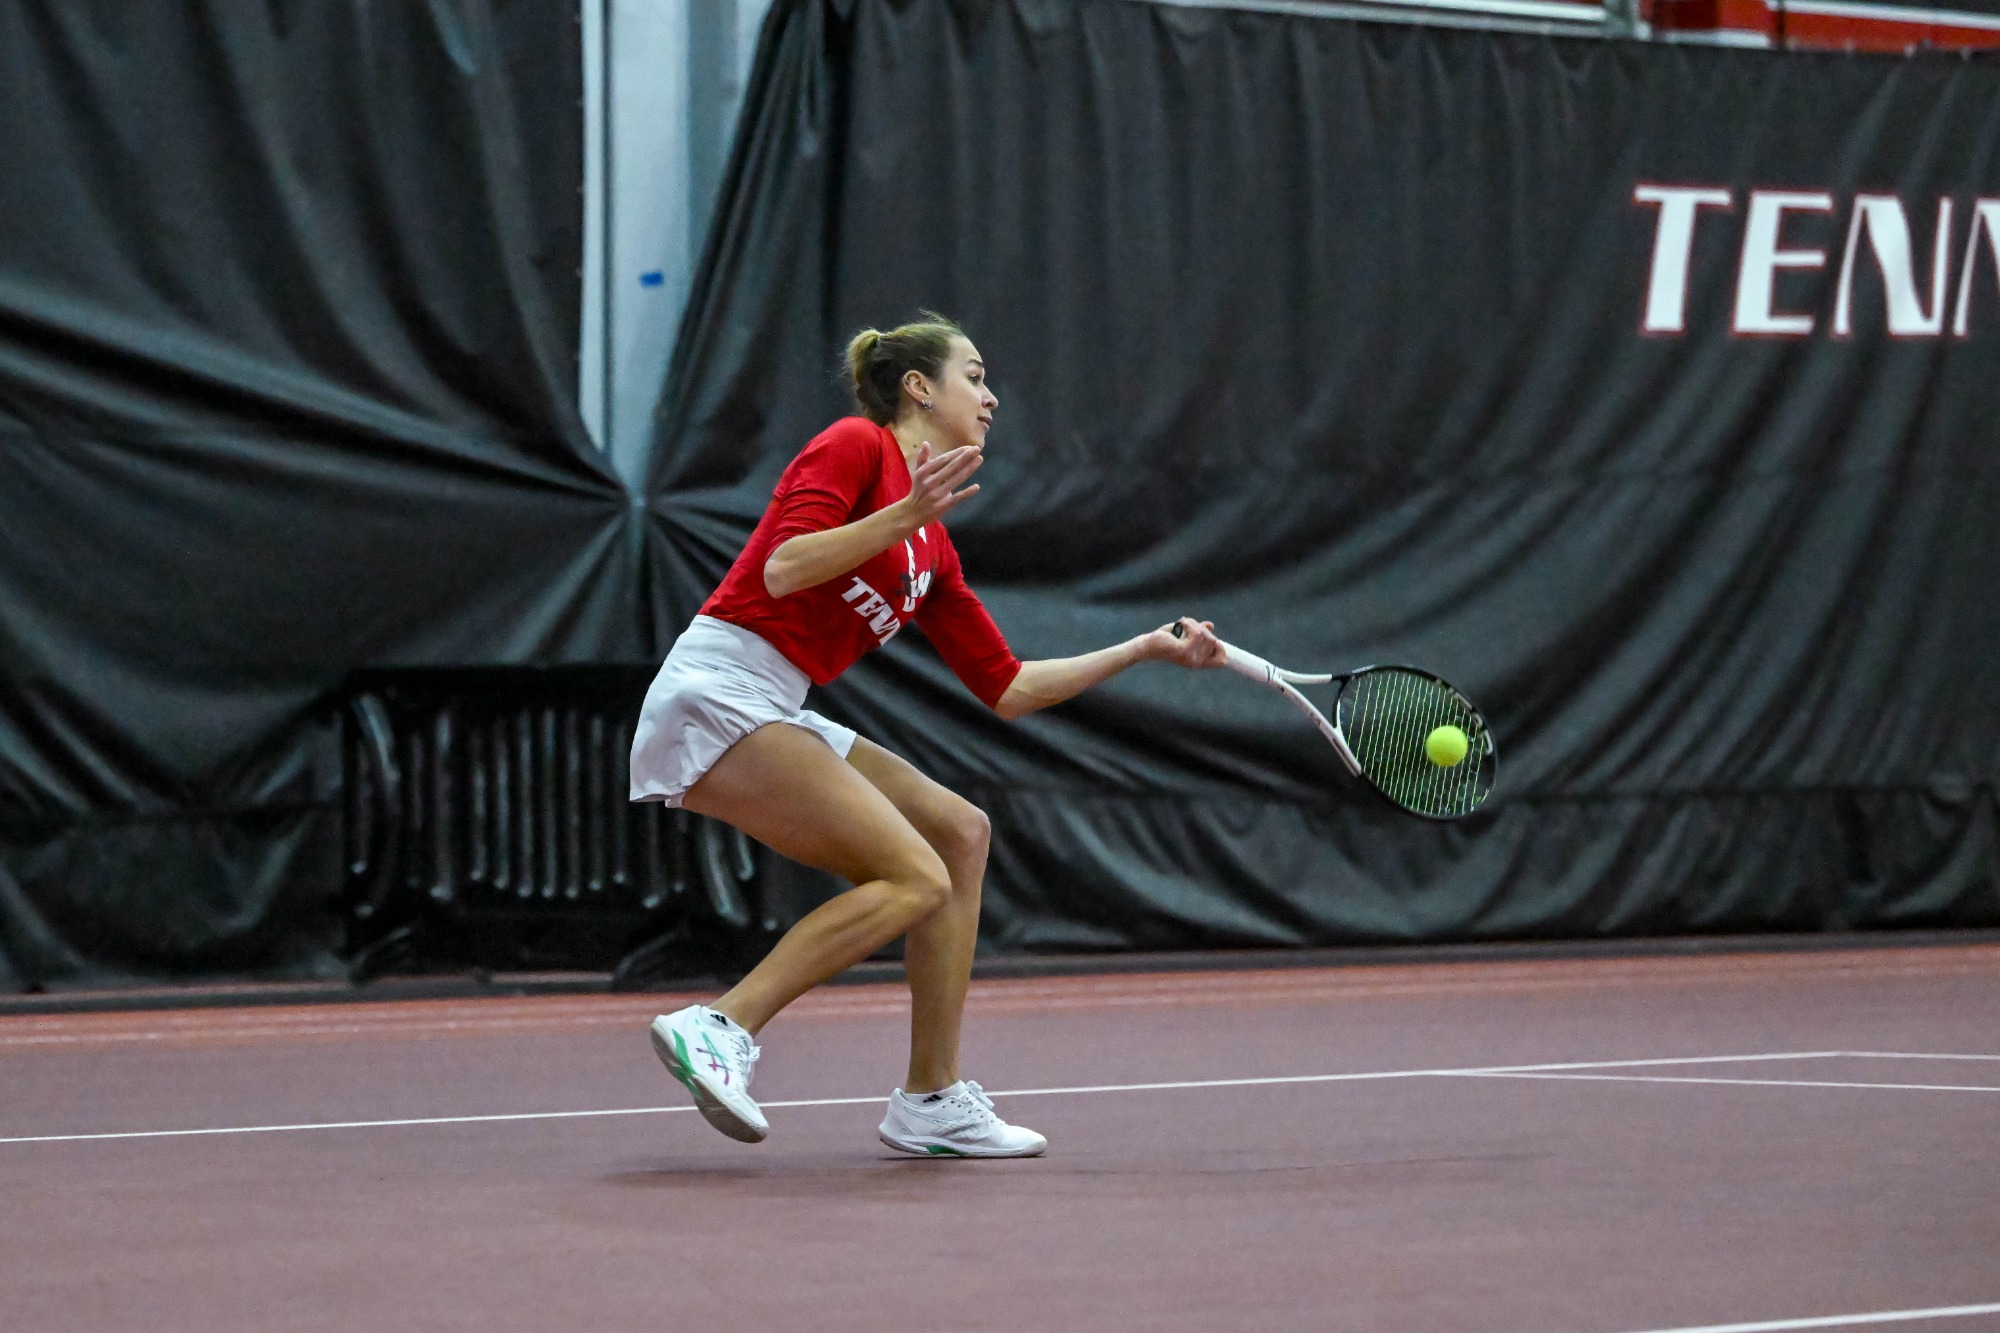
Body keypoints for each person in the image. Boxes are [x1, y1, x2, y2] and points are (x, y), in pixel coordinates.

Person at [630, 313, 1224, 1157]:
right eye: (973, 376)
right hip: (717, 687)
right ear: (919, 387)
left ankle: (932, 1098)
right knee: (915, 876)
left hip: (778, 697)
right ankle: (721, 1026)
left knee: (959, 834)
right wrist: (900, 514)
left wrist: (1142, 650)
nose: (989, 396)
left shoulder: (932, 549)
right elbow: (783, 567)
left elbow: (1008, 687)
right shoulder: (854, 447)